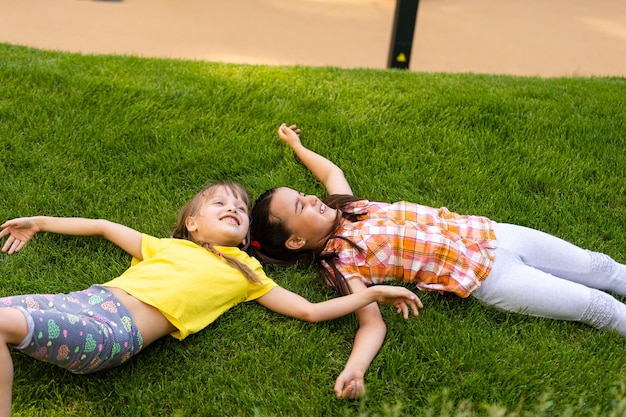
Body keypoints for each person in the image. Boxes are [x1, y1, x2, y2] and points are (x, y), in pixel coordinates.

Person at [247, 123, 626, 400]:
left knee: (603, 267)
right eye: (300, 206)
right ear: (296, 240)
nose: (311, 198)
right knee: (596, 307)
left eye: (302, 193)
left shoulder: (345, 205)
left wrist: (296, 144)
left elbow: (330, 172)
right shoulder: (342, 264)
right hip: (488, 275)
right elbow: (371, 325)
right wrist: (355, 368)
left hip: (493, 233)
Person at [0, 181, 422, 417]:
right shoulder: (166, 246)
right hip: (82, 301)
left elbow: (311, 311)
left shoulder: (247, 274)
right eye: (219, 203)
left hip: (111, 333)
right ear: (192, 224)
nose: (232, 207)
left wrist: (374, 292)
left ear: (246, 236)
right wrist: (39, 222)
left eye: (239, 207)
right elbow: (103, 225)